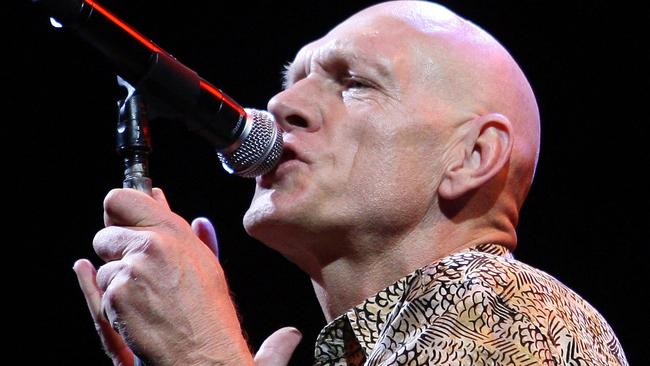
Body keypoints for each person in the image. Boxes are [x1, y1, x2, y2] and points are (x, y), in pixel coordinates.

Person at [73, 1, 628, 365]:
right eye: (292, 82)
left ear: (472, 156)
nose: (281, 104)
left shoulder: (515, 312)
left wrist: (203, 354)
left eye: (355, 84)